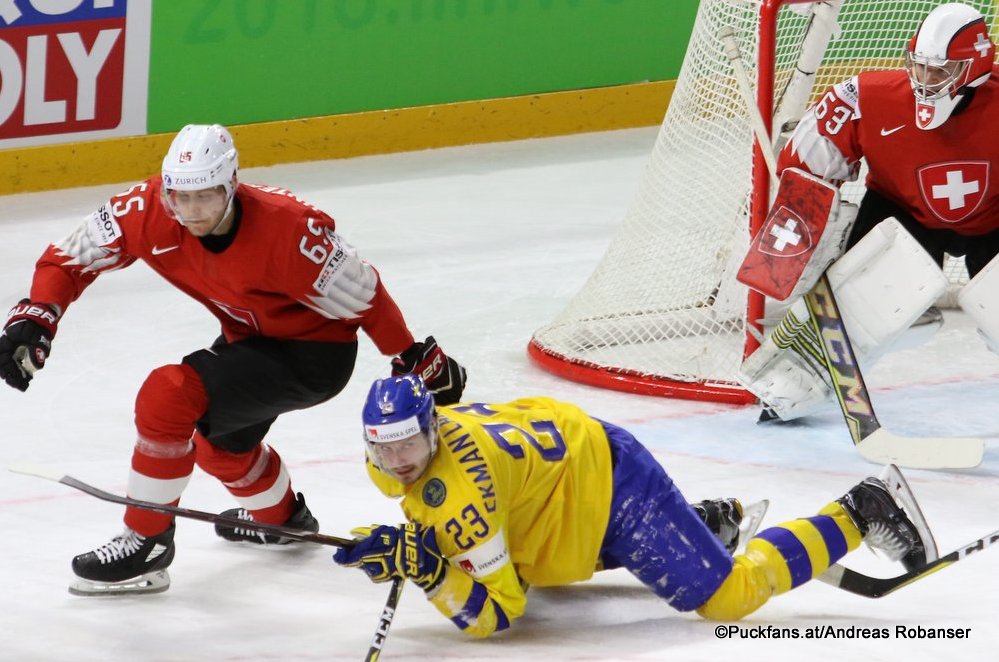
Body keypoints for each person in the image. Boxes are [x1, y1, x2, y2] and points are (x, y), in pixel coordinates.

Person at [0, 124, 467, 596]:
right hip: (250, 339)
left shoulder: (290, 230)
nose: (191, 210)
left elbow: (365, 294)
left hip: (314, 355)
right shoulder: (144, 210)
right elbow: (69, 258)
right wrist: (37, 318)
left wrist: (413, 357)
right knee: (218, 447)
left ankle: (147, 540)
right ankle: (284, 521)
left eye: (205, 195)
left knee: (168, 396)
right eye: (180, 196)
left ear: (231, 185)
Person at [333, 374, 930, 637]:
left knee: (728, 600)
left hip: (609, 482)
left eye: (409, 443)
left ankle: (862, 508)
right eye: (385, 449)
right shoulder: (413, 449)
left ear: (432, 432)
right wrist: (393, 543)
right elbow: (428, 508)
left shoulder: (461, 498)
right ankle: (703, 525)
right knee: (519, 564)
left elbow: (498, 618)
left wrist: (429, 568)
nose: (399, 461)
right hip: (553, 481)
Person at [779, 2, 999, 275]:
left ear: (975, 69)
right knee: (867, 304)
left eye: (941, 71)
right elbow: (802, 175)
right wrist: (804, 224)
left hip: (993, 223)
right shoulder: (863, 98)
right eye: (920, 67)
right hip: (900, 215)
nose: (926, 82)